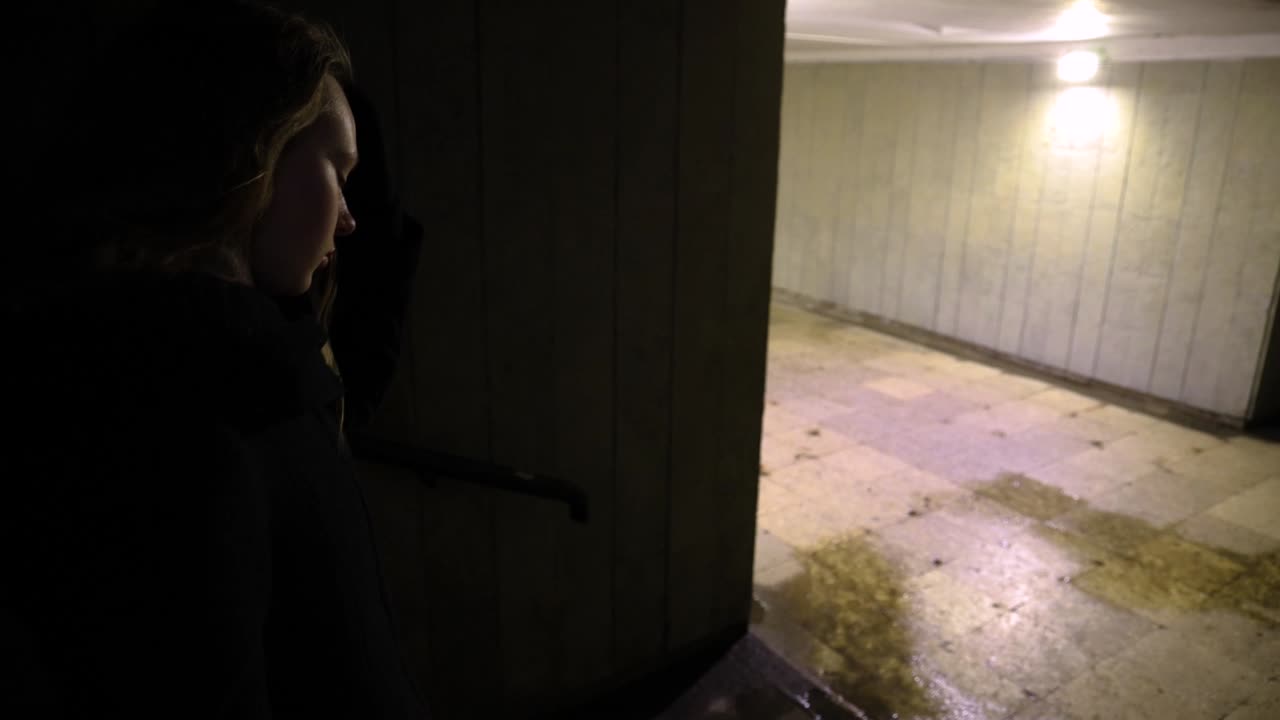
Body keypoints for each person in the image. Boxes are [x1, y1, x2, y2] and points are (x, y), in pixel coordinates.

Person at [2, 1, 427, 716]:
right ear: (255, 154)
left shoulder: (247, 371)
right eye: (337, 169)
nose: (349, 217)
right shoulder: (180, 421)